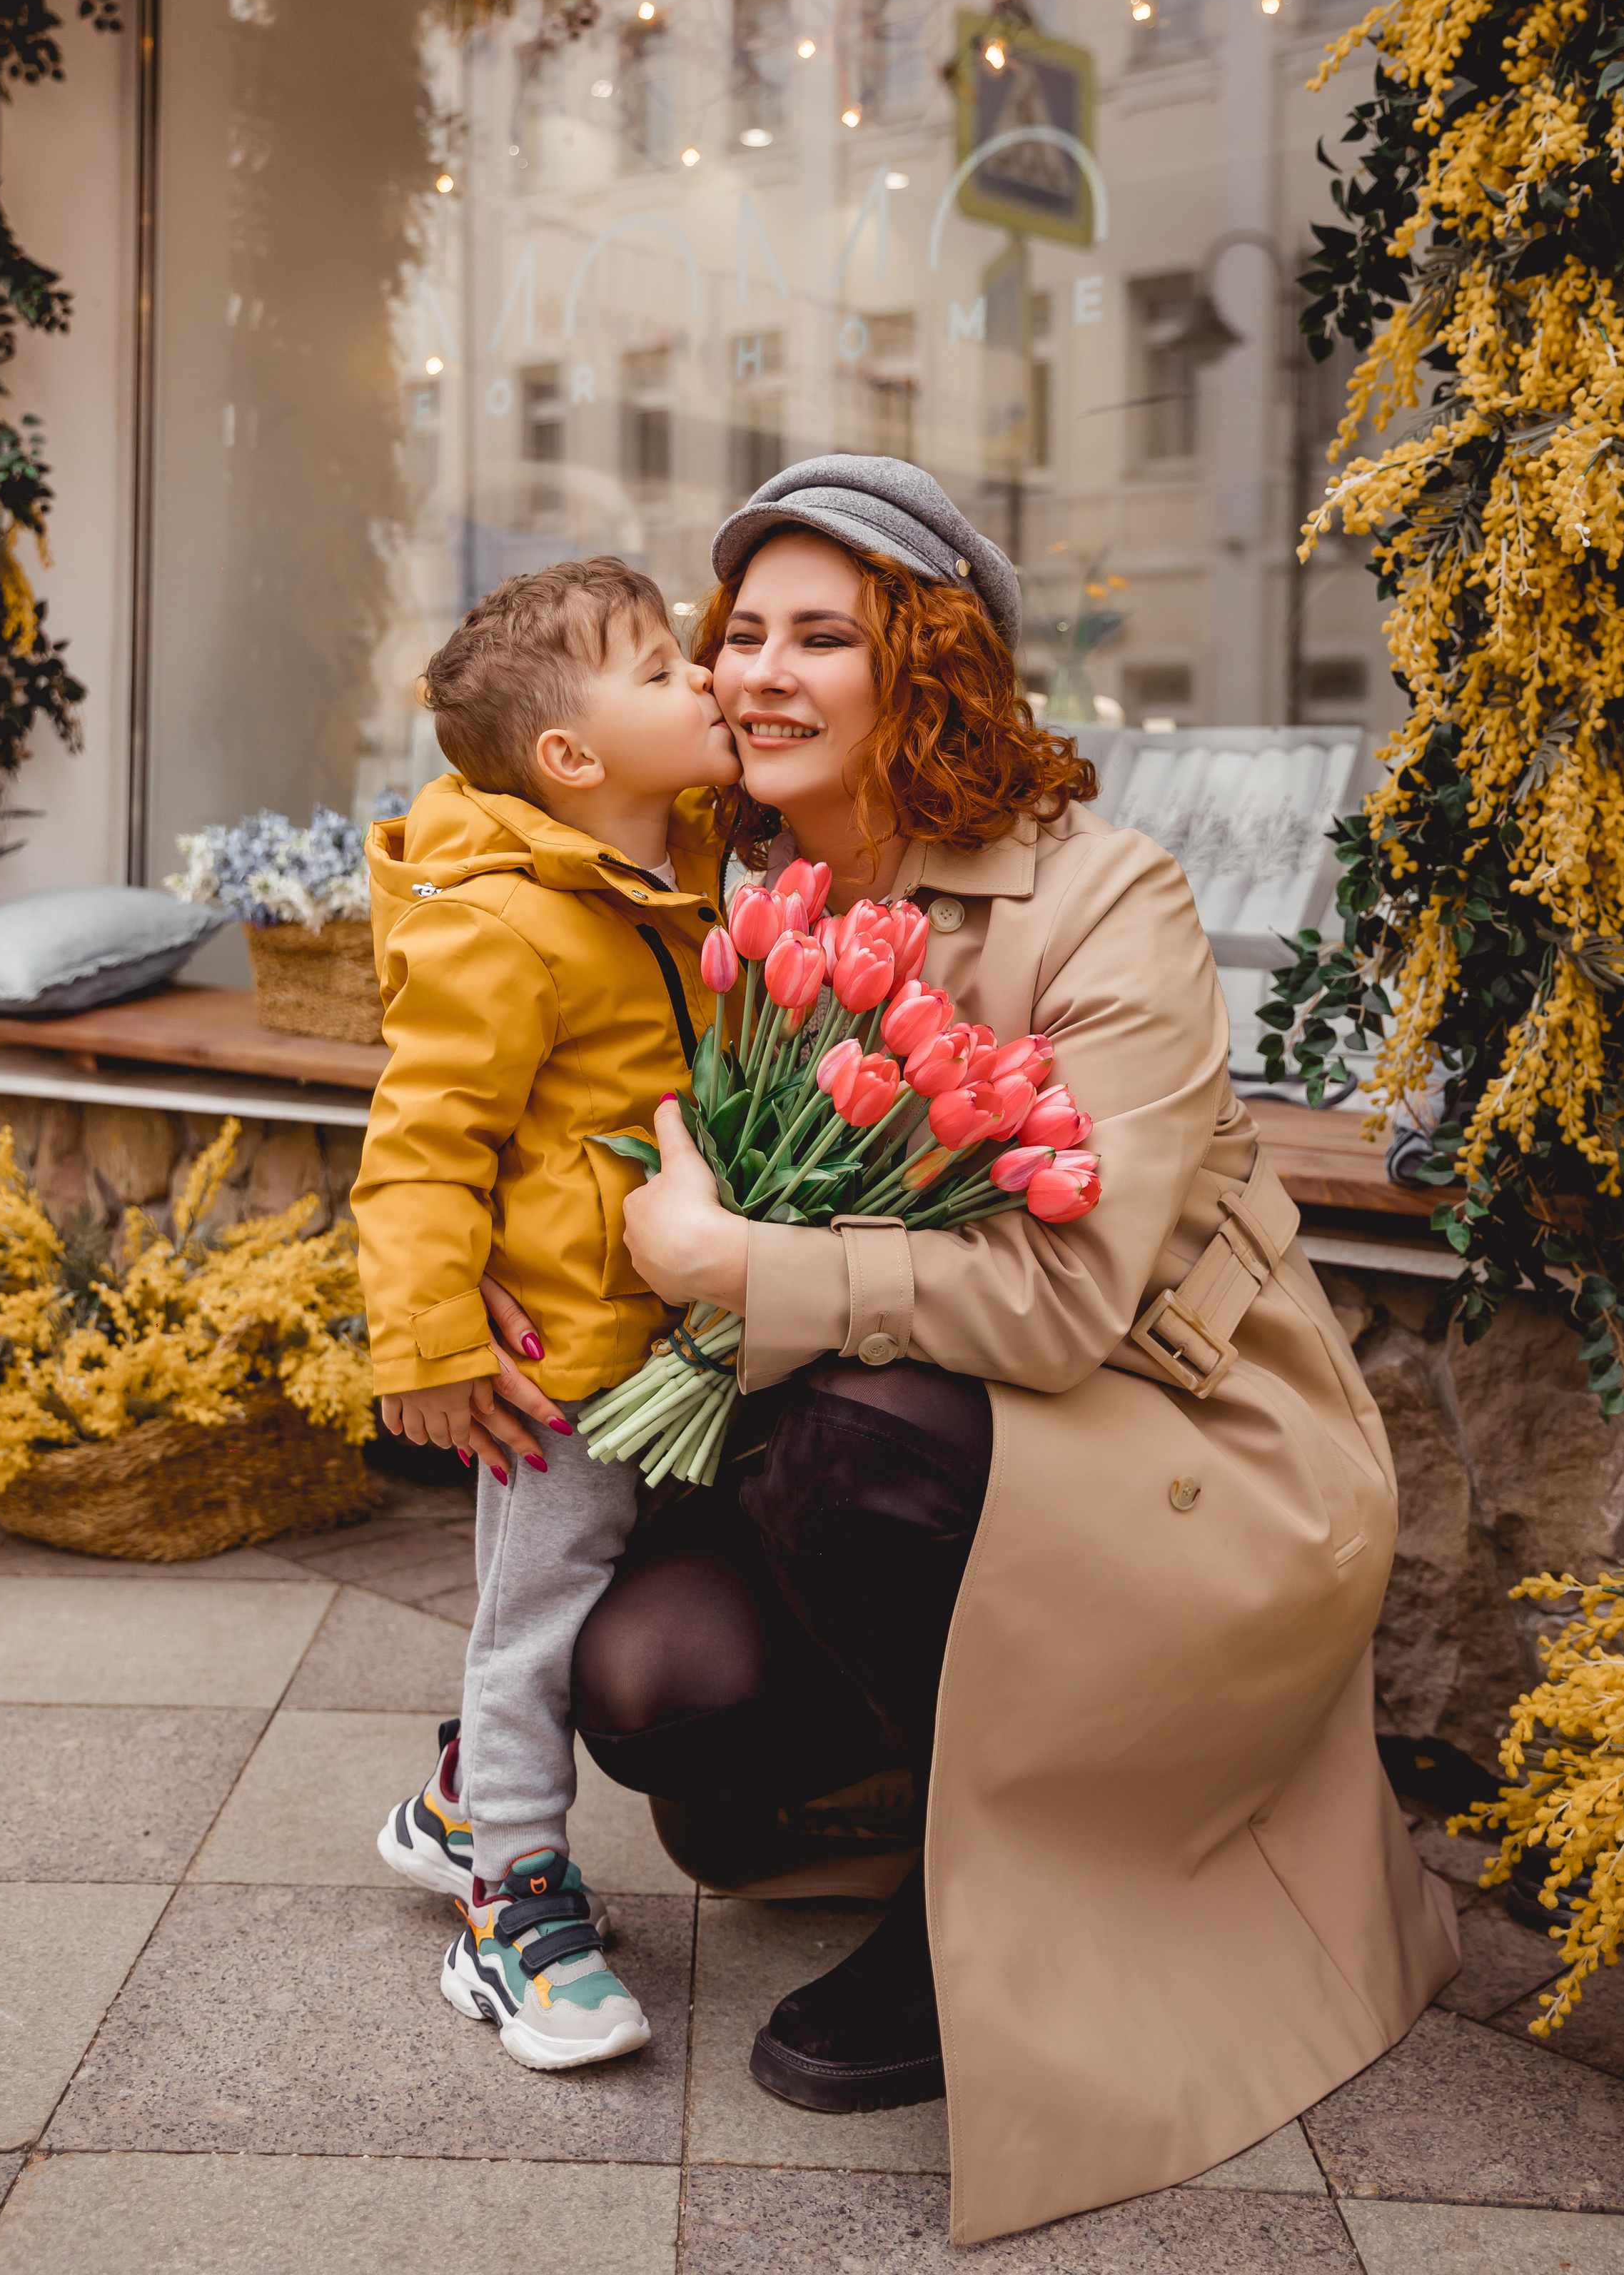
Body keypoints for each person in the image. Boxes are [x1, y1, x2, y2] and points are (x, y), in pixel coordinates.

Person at [568, 456, 1461, 2242]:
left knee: (844, 1444)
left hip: (1176, 1455)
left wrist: (740, 1262)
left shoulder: (1101, 901)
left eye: (821, 634)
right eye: (738, 631)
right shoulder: (742, 904)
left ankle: (975, 1905)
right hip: (912, 1448)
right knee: (649, 1684)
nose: (757, 671)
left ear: (929, 663)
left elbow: (1064, 1304)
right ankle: (937, 1795)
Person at [351, 556, 740, 2072]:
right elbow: (421, 1141)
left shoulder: (677, 862)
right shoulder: (499, 926)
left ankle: (458, 1802)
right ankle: (509, 1899)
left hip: (680, 1346)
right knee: (532, 1629)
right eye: (660, 671)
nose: (703, 678)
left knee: (591, 1609)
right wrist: (431, 1342)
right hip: (557, 1371)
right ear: (570, 760)